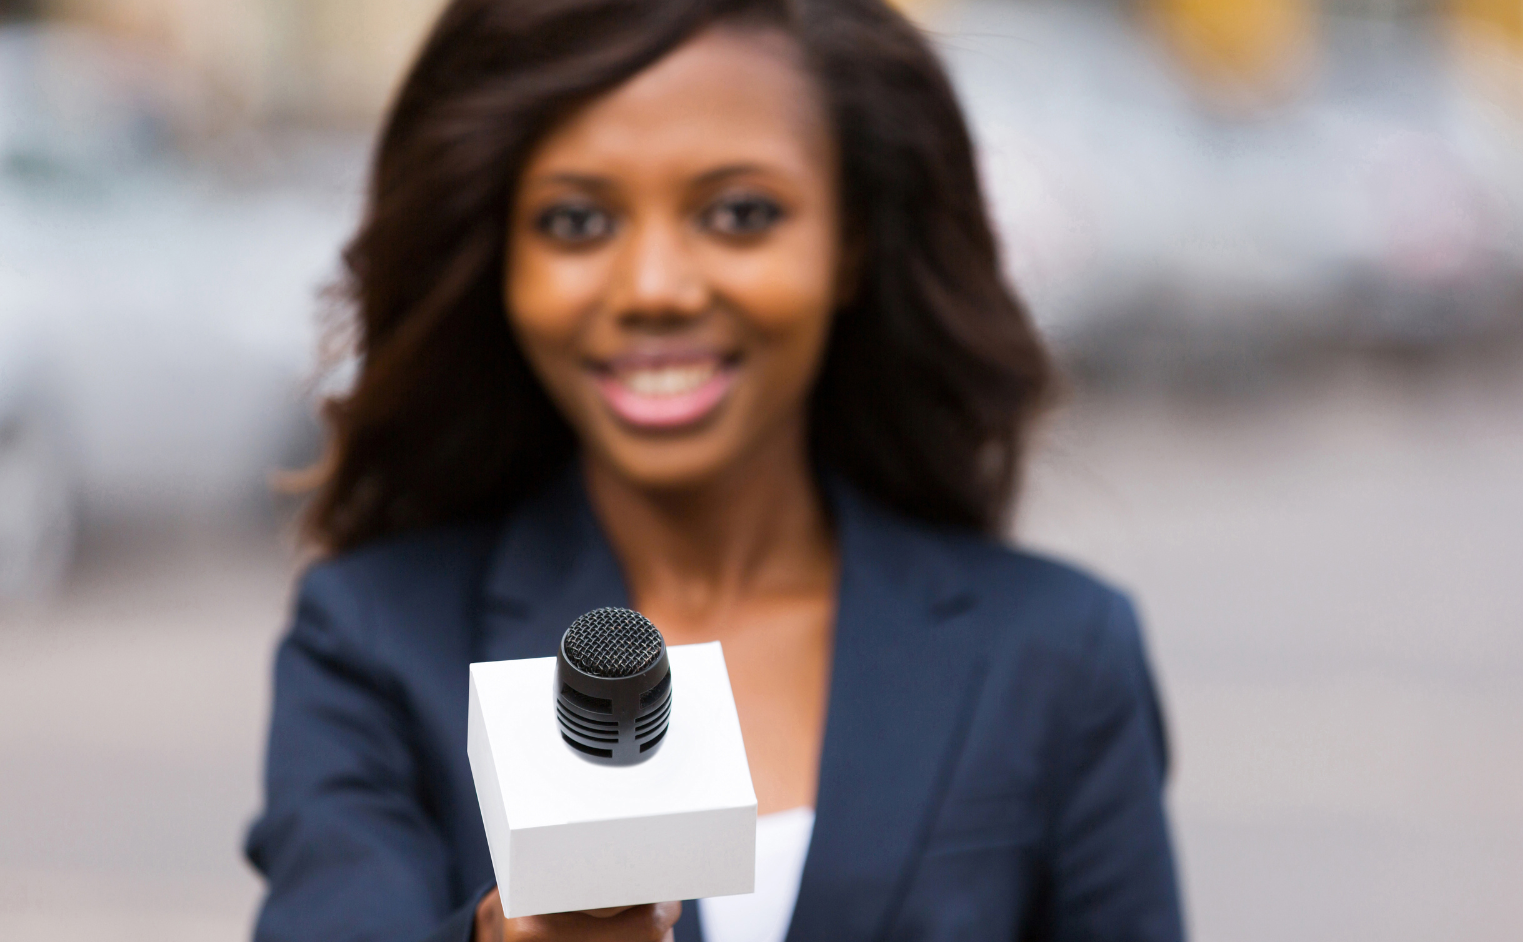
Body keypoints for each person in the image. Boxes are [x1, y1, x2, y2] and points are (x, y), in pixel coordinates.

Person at [244, 0, 1183, 939]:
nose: (655, 287)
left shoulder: (1057, 653)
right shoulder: (374, 640)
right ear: (503, 257)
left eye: (740, 214)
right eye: (576, 220)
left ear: (851, 243)